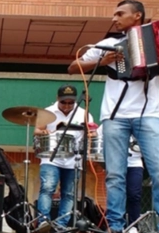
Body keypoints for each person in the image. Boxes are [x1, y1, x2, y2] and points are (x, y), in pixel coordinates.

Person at [68, 0, 159, 233]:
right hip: (114, 117)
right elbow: (72, 67)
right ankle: (116, 227)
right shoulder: (108, 43)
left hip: (149, 116)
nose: (114, 18)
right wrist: (101, 60)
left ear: (137, 16)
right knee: (115, 176)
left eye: (119, 14)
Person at [35, 85, 94, 229]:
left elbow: (92, 132)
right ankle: (43, 221)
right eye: (63, 102)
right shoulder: (48, 112)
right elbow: (36, 130)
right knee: (48, 188)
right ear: (57, 99)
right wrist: (43, 132)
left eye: (70, 103)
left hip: (74, 159)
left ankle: (61, 225)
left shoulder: (83, 113)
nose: (67, 106)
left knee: (69, 194)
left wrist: (91, 134)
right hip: (51, 157)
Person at [94, 127, 144, 233]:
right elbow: (99, 140)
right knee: (116, 194)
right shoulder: (108, 124)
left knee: (134, 194)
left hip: (134, 162)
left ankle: (133, 225)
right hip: (115, 162)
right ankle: (116, 225)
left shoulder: (138, 123)